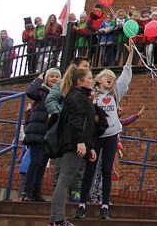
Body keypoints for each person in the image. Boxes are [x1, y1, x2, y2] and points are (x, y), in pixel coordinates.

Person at [74, 44, 134, 221]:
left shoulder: (115, 93)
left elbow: (126, 76)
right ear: (99, 79)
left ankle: (105, 206)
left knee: (107, 170)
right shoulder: (91, 94)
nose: (111, 79)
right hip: (95, 136)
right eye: (108, 76)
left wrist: (130, 55)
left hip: (111, 135)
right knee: (89, 169)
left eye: (112, 77)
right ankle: (82, 205)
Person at [49, 67, 98, 226]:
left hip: (77, 143)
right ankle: (58, 219)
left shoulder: (81, 97)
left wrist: (90, 145)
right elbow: (76, 122)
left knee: (64, 180)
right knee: (64, 181)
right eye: (90, 78)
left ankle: (54, 220)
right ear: (80, 81)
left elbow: (88, 125)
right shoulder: (76, 97)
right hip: (73, 145)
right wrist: (80, 142)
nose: (92, 80)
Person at [46, 56, 92, 204]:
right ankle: (57, 205)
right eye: (84, 67)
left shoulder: (83, 92)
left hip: (77, 131)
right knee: (62, 168)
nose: (87, 69)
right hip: (66, 132)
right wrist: (62, 115)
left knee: (77, 166)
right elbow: (51, 100)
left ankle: (75, 192)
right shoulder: (65, 85)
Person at [22, 68, 62, 202]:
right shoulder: (41, 91)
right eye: (52, 76)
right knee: (35, 161)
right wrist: (38, 79)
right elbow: (30, 92)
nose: (55, 79)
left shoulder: (59, 95)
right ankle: (27, 191)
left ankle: (36, 191)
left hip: (49, 133)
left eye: (57, 77)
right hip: (37, 131)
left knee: (43, 164)